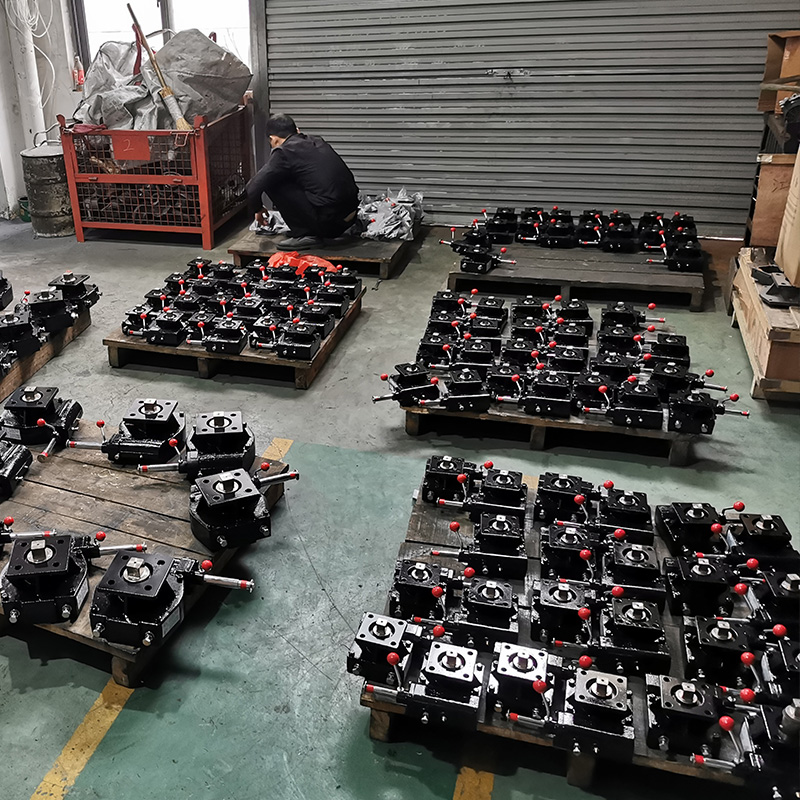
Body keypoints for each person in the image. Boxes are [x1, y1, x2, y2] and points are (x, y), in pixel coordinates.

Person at [246, 114, 359, 251]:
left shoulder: (284, 151)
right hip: (350, 217)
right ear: (297, 131)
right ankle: (308, 227)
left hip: (330, 225)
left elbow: (252, 187)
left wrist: (258, 208)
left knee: (271, 182)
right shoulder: (316, 141)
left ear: (273, 139)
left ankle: (306, 234)